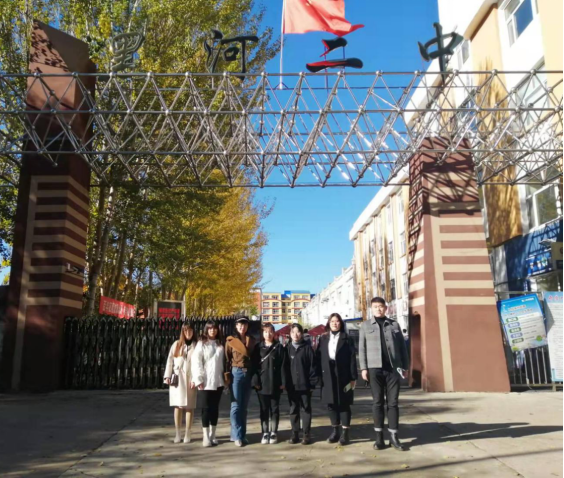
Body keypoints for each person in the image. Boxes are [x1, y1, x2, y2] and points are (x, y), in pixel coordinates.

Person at [360, 297, 410, 452]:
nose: (378, 309)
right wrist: (363, 368)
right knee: (377, 402)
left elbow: (402, 347)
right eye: (375, 307)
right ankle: (379, 437)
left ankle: (394, 437)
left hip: (393, 369)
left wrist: (405, 366)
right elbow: (362, 349)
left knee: (393, 403)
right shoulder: (365, 326)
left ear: (385, 308)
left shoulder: (394, 324)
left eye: (381, 306)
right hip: (374, 369)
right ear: (372, 309)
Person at [316, 314, 358, 446]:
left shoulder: (347, 339)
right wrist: (318, 375)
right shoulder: (323, 338)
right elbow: (318, 357)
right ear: (329, 323)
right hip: (327, 373)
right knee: (331, 403)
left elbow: (352, 358)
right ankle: (335, 430)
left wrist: (353, 377)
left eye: (337, 321)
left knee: (344, 403)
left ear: (341, 323)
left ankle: (345, 433)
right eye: (332, 321)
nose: (335, 323)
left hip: (343, 374)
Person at [191, 320, 226, 448]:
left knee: (214, 408)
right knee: (205, 408)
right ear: (207, 329)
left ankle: (213, 434)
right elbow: (196, 361)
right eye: (210, 328)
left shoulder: (220, 343)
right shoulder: (201, 343)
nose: (213, 330)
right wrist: (198, 379)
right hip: (205, 381)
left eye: (214, 328)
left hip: (218, 380)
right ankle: (205, 436)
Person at [225, 317, 259, 447]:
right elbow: (227, 359)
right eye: (240, 325)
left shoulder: (252, 340)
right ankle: (236, 435)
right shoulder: (230, 341)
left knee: (244, 407)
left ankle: (242, 434)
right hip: (236, 373)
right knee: (235, 406)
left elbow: (255, 359)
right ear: (236, 326)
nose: (242, 327)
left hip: (248, 373)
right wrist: (227, 377)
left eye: (244, 325)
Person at [164, 322, 198, 444]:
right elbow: (170, 361)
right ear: (182, 332)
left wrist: (196, 379)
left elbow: (200, 363)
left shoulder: (197, 345)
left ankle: (188, 433)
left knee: (189, 406)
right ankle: (178, 433)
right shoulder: (176, 344)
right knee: (178, 406)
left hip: (191, 379)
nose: (188, 333)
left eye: (190, 330)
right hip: (178, 379)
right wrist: (167, 375)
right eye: (186, 331)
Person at [252, 323, 286, 445]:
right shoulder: (258, 347)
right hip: (262, 382)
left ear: (274, 333)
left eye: (270, 331)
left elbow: (283, 366)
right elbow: (254, 366)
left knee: (275, 408)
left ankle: (274, 432)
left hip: (275, 382)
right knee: (264, 409)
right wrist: (255, 381)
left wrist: (283, 382)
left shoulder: (279, 347)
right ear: (263, 333)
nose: (268, 334)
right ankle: (265, 432)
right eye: (266, 332)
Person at [286, 323, 318, 446]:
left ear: (302, 334)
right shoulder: (287, 349)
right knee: (293, 409)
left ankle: (306, 434)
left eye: (298, 332)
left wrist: (312, 384)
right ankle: (295, 433)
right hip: (292, 385)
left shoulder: (307, 348)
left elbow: (313, 367)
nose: (296, 334)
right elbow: (284, 368)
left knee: (306, 409)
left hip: (305, 385)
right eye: (293, 332)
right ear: (290, 334)